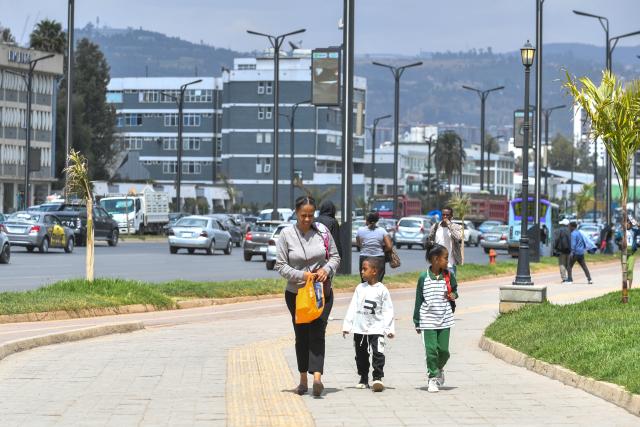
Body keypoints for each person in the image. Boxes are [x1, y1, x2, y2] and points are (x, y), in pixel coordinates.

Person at [275, 196, 341, 397]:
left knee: (318, 333)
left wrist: (326, 270)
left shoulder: (322, 231)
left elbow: (336, 257)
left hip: (322, 293)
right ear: (296, 213)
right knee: (301, 336)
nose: (307, 219)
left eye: (311, 215)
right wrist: (302, 275)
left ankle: (317, 378)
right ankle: (303, 380)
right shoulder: (286, 234)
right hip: (297, 294)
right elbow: (280, 265)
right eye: (303, 215)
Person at [342, 257, 395, 392]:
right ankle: (363, 378)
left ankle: (377, 378)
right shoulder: (360, 288)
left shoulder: (382, 290)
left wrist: (389, 328)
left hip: (377, 328)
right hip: (360, 328)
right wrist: (347, 326)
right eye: (362, 269)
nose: (361, 271)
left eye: (365, 269)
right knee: (361, 355)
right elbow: (353, 307)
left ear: (374, 271)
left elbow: (388, 309)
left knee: (378, 353)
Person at [414, 244, 458, 393]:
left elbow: (455, 291)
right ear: (435, 259)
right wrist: (417, 321)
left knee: (444, 351)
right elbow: (418, 300)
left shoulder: (448, 276)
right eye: (445, 258)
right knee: (431, 350)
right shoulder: (423, 277)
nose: (447, 261)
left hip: (445, 319)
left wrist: (453, 295)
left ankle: (439, 369)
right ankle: (432, 378)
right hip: (427, 320)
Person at [356, 211, 393, 282]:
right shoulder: (382, 231)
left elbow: (358, 244)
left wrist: (365, 248)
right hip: (379, 258)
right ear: (377, 220)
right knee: (378, 282)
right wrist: (382, 250)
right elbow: (389, 246)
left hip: (364, 257)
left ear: (367, 219)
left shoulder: (360, 230)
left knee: (365, 281)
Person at [426, 206, 463, 275]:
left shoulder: (456, 227)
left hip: (449, 264)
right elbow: (429, 240)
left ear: (451, 216)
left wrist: (449, 224)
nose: (445, 217)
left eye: (447, 215)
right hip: (436, 264)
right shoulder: (435, 226)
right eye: (443, 215)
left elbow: (458, 238)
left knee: (450, 285)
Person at [553, 218, 572, 284]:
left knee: (562, 264)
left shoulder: (559, 230)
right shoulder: (570, 231)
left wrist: (554, 248)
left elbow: (556, 240)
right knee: (568, 264)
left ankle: (564, 278)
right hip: (569, 250)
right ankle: (570, 278)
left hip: (561, 250)